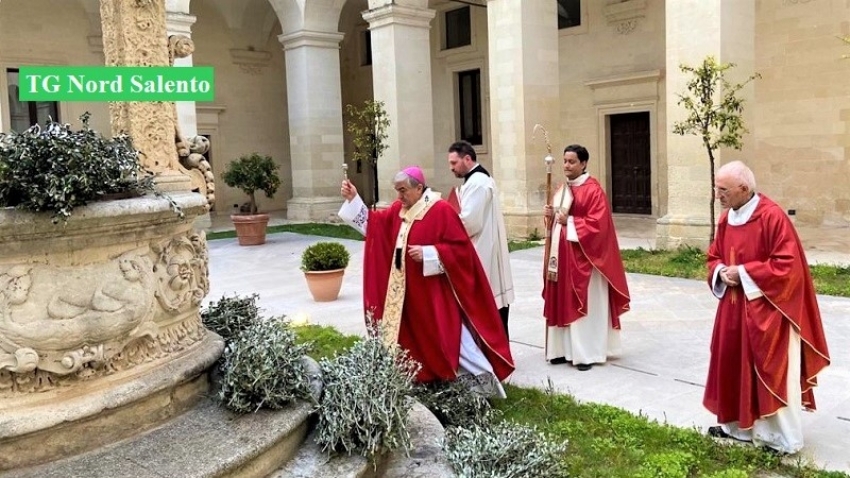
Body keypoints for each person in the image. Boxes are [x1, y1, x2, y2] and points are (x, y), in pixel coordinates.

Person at [338, 166, 515, 397]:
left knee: (451, 340)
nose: (399, 197)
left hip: (435, 295)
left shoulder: (440, 210)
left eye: (403, 191)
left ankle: (485, 387)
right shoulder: (399, 210)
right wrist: (354, 200)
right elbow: (375, 227)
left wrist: (431, 254)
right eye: (397, 191)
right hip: (405, 295)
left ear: (419, 188)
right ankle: (424, 380)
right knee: (415, 341)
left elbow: (461, 250)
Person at [703, 160, 830, 455]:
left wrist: (744, 273)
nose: (718, 195)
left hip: (769, 311)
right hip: (732, 308)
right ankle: (735, 427)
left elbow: (788, 267)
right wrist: (720, 271)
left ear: (744, 189)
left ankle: (779, 438)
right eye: (716, 188)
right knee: (730, 361)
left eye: (723, 190)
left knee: (770, 369)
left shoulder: (772, 217)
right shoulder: (725, 220)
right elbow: (714, 256)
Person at [542, 144, 630, 371]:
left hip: (586, 260)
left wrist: (568, 222)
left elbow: (598, 226)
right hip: (561, 258)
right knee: (562, 299)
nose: (566, 166)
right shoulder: (562, 188)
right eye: (565, 161)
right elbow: (556, 221)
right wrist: (550, 217)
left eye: (571, 161)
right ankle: (561, 351)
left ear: (583, 164)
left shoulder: (593, 190)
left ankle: (586, 354)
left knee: (583, 303)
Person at [446, 140, 515, 339]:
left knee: (487, 299)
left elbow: (469, 222)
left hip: (483, 248)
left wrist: (445, 223)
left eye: (454, 163)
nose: (451, 168)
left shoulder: (476, 183)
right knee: (494, 301)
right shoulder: (478, 179)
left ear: (467, 158)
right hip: (486, 244)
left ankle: (494, 351)